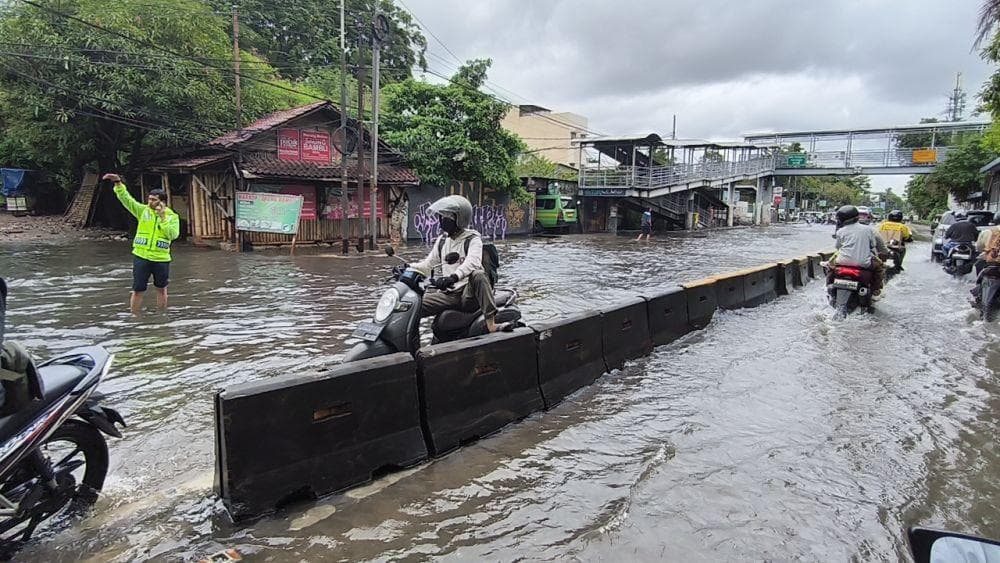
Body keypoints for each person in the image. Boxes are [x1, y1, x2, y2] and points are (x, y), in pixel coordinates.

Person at [410, 195, 510, 333]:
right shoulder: (443, 240)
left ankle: (491, 324)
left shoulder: (473, 239)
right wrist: (408, 269)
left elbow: (472, 263)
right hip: (449, 293)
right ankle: (412, 343)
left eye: (447, 217)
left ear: (460, 219)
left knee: (478, 274)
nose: (442, 220)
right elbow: (428, 264)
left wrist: (453, 277)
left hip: (468, 294)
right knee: (413, 305)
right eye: (441, 217)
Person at [102, 173, 180, 315]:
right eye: (149, 199)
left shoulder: (172, 216)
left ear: (162, 202)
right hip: (141, 256)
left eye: (154, 200)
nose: (150, 202)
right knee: (138, 289)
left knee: (161, 289)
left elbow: (173, 235)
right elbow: (127, 200)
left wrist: (162, 218)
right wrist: (118, 183)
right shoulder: (143, 211)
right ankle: (135, 316)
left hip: (161, 258)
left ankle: (161, 316)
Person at [829, 205, 888, 297]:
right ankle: (876, 290)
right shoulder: (868, 229)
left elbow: (837, 247)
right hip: (864, 263)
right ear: (857, 217)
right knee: (879, 269)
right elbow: (873, 245)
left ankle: (828, 286)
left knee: (830, 267)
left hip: (842, 262)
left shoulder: (840, 231)